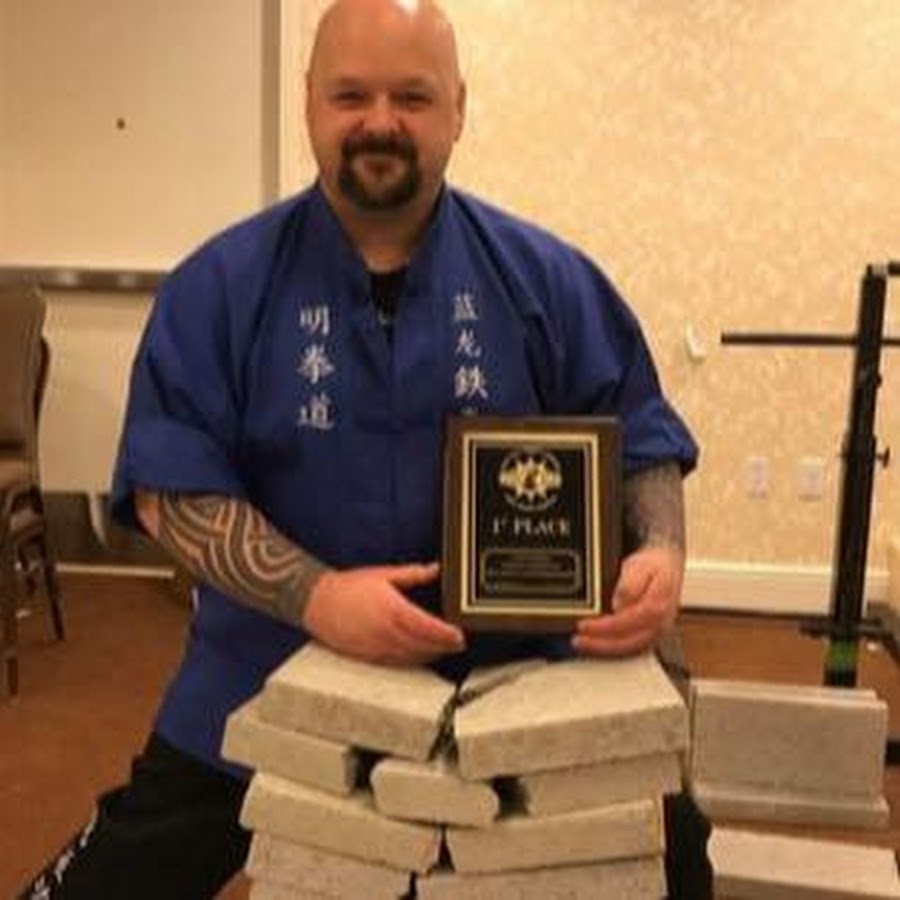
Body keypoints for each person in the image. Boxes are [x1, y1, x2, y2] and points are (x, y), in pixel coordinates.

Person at [20, 1, 711, 897]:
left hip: (518, 675)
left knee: (676, 854)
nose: (379, 122)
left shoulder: (548, 279)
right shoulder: (219, 286)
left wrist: (660, 550)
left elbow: (641, 437)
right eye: (351, 95)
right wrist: (318, 598)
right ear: (310, 101)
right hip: (269, 672)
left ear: (458, 109)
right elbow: (170, 490)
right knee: (116, 879)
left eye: (412, 97)